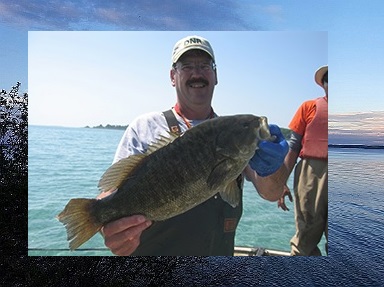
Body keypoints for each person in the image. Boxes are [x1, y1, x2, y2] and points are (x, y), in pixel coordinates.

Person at [96, 35, 288, 256]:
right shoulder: (145, 127)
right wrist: (104, 224)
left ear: (215, 76)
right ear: (172, 76)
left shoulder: (231, 135)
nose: (197, 73)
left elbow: (271, 192)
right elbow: (111, 193)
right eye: (187, 66)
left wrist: (273, 167)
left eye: (205, 66)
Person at [277, 65, 328, 256]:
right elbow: (294, 145)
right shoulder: (308, 107)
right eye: (329, 78)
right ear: (323, 84)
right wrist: (281, 182)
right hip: (311, 173)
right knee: (305, 237)